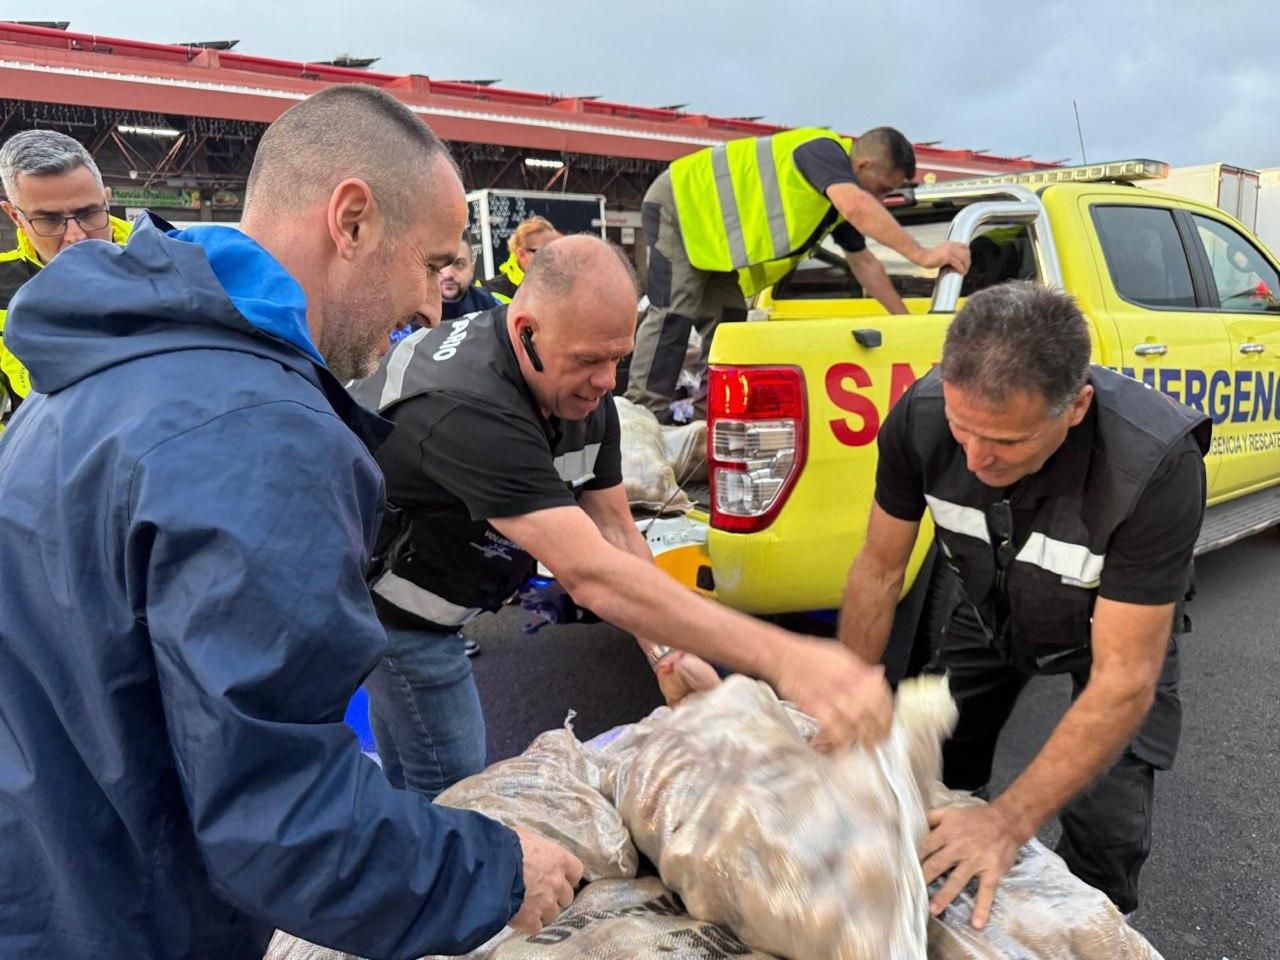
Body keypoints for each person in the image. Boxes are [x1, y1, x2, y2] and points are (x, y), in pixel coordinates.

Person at [0, 84, 583, 960]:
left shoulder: (103, 367)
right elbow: (281, 817)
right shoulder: (261, 430)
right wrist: (498, 871)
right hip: (128, 921)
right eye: (433, 264)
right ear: (351, 221)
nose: (436, 307)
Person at [348, 233, 895, 800]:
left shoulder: (581, 392)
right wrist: (790, 659)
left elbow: (615, 532)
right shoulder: (471, 408)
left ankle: (400, 824)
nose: (608, 381)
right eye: (590, 360)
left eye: (618, 357)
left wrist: (667, 653)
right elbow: (591, 574)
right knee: (454, 793)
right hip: (380, 601)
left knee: (408, 771)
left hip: (418, 576)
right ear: (527, 331)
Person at [837, 281, 1210, 927]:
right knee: (929, 766)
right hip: (990, 609)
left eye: (1007, 443)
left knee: (1106, 828)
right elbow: (878, 569)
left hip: (1109, 632)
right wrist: (848, 697)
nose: (976, 459)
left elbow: (1124, 677)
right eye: (963, 430)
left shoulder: (1153, 467)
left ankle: (1087, 922)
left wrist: (1007, 822)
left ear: (1076, 406)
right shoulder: (919, 419)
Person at [625, 126, 972, 419]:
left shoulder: (832, 204)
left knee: (728, 319)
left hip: (711, 236)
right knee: (673, 311)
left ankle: (708, 418)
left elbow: (865, 263)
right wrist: (923, 255)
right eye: (882, 189)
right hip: (680, 204)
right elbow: (858, 206)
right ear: (863, 165)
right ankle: (643, 417)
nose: (881, 200)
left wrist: (907, 325)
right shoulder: (822, 151)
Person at [0, 129, 131, 426]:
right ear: (15, 216)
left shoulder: (167, 259)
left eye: (88, 213)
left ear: (107, 199)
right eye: (50, 219)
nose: (76, 236)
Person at [482, 214, 561, 300]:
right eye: (544, 252)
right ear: (522, 254)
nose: (552, 257)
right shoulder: (490, 293)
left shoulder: (564, 285)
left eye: (556, 251)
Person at [442, 228, 502, 320]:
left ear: (472, 269)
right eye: (440, 264)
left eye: (459, 264)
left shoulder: (490, 305)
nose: (448, 274)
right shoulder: (417, 311)